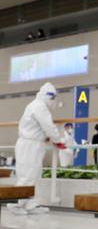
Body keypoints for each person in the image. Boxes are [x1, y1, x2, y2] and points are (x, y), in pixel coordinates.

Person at [8, 83, 65, 215]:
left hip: (33, 144)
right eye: (52, 98)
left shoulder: (36, 105)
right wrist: (57, 140)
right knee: (27, 175)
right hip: (30, 145)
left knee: (34, 175)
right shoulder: (39, 107)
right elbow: (48, 126)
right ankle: (15, 204)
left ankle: (30, 204)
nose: (53, 101)